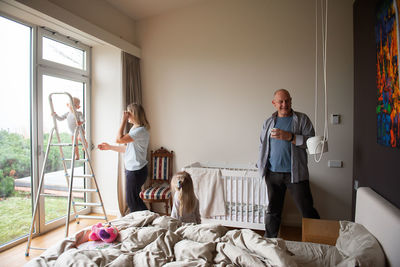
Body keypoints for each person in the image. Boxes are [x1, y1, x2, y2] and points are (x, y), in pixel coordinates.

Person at [257, 88, 320, 238]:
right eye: (281, 101)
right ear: (274, 103)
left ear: (291, 101)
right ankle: (270, 241)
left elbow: (311, 143)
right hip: (273, 174)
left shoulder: (302, 119)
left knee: (307, 209)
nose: (284, 104)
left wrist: (290, 137)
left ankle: (318, 239)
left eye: (287, 100)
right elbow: (262, 146)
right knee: (273, 210)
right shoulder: (268, 122)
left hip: (296, 174)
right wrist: (261, 166)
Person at [98, 103, 150, 213]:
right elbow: (127, 149)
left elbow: (119, 139)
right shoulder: (135, 129)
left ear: (133, 114)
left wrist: (123, 121)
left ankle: (148, 220)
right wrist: (110, 147)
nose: (126, 115)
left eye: (128, 113)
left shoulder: (139, 131)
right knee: (133, 200)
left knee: (132, 201)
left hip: (136, 170)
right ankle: (146, 221)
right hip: (135, 169)